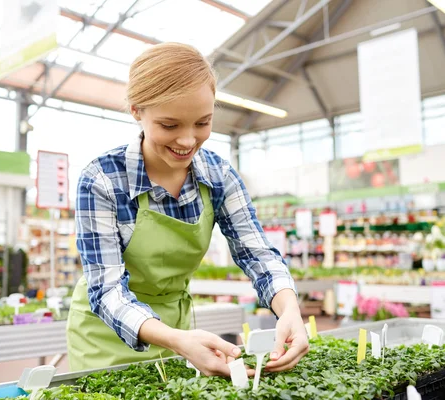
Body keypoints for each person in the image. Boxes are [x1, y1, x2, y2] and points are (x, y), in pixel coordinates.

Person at [67, 42, 309, 376]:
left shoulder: (219, 176)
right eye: (169, 125)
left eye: (202, 123)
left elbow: (259, 255)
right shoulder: (103, 180)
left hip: (182, 335)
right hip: (104, 339)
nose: (187, 140)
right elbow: (106, 289)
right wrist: (176, 340)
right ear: (137, 110)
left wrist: (290, 311)